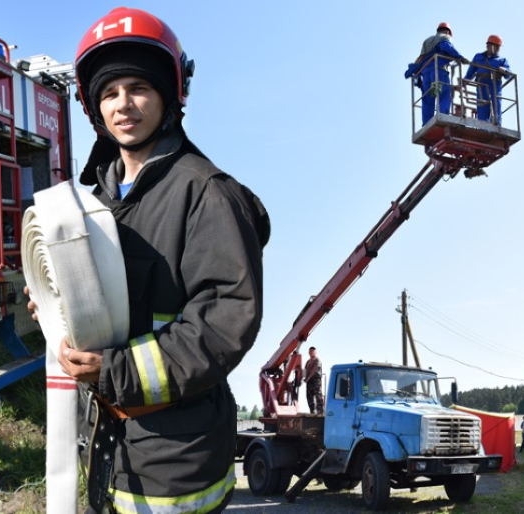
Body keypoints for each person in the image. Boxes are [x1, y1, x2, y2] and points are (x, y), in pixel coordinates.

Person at [48, 8, 271, 513]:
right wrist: (55, 310)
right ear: (94, 109)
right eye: (108, 93)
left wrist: (114, 372)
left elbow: (223, 321)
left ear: (169, 96)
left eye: (137, 88)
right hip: (108, 442)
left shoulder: (206, 193)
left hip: (176, 462)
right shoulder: (97, 200)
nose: (123, 105)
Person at [407, 22, 468, 124]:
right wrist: (460, 57)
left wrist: (413, 70)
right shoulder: (444, 37)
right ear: (448, 31)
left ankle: (427, 123)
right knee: (443, 92)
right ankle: (443, 117)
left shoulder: (427, 41)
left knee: (429, 97)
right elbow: (446, 47)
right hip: (439, 72)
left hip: (427, 75)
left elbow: (420, 58)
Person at [465, 35, 511, 123]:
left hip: (495, 85)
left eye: (498, 47)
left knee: (496, 107)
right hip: (481, 85)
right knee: (482, 108)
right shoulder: (478, 57)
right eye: (497, 47)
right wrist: (465, 81)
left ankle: (497, 128)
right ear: (490, 45)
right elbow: (470, 72)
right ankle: (483, 128)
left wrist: (504, 70)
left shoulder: (502, 60)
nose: (498, 49)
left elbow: (508, 75)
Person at [305, 346, 324, 414]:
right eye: (310, 351)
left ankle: (320, 411)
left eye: (313, 351)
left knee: (318, 396)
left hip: (316, 380)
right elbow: (305, 371)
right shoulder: (307, 362)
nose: (311, 353)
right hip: (309, 381)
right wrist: (305, 378)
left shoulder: (317, 360)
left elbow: (315, 369)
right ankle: (312, 411)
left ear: (315, 352)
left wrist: (309, 377)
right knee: (309, 396)